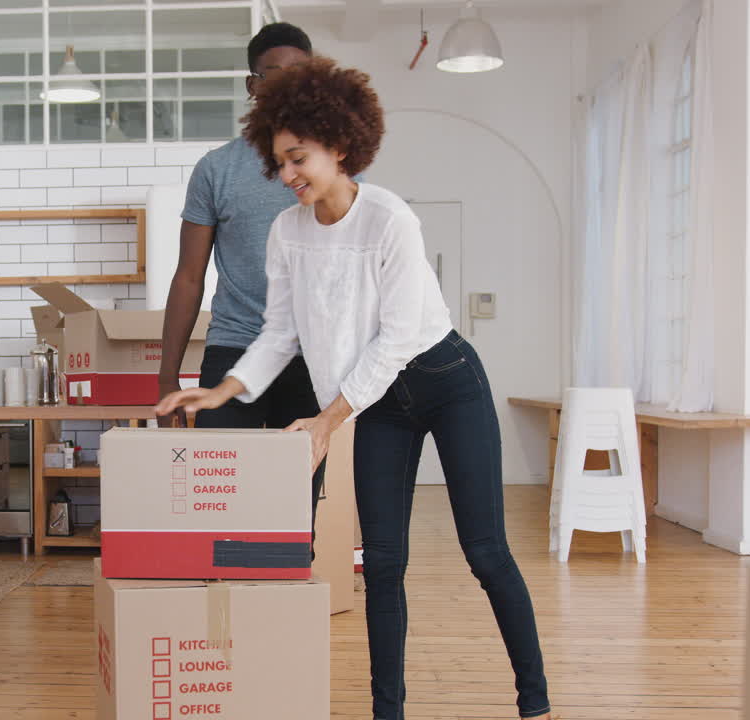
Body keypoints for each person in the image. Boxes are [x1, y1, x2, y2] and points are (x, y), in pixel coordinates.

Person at [155, 58, 553, 720]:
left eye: (298, 158)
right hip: (381, 409)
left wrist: (326, 420)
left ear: (341, 146)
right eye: (279, 162)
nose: (288, 176)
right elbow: (280, 333)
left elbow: (395, 341)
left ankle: (536, 703)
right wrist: (224, 389)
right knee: (384, 566)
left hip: (445, 382)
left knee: (485, 550)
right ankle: (385, 713)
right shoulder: (287, 232)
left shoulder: (391, 220)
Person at [157, 22, 328, 529]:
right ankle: (225, 603)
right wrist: (167, 376)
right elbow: (189, 276)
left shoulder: (334, 165)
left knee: (295, 506)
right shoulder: (217, 169)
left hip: (308, 355)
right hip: (233, 349)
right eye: (273, 75)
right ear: (253, 86)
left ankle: (287, 597)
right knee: (218, 500)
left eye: (298, 75)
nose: (285, 87)